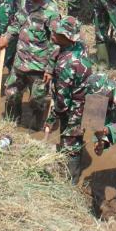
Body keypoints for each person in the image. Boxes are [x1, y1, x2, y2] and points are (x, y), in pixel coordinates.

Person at [1, 0, 61, 130]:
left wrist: (50, 68)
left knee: (37, 100)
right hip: (20, 60)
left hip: (39, 66)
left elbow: (56, 42)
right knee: (12, 94)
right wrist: (6, 37)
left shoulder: (51, 11)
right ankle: (11, 125)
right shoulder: (25, 0)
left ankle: (35, 129)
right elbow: (17, 22)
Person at [44, 15, 94, 180]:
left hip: (78, 106)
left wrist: (51, 120)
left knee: (71, 142)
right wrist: (50, 69)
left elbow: (62, 103)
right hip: (88, 96)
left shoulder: (68, 65)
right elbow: (58, 51)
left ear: (66, 37)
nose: (52, 33)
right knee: (74, 137)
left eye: (56, 33)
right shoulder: (79, 46)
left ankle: (71, 181)